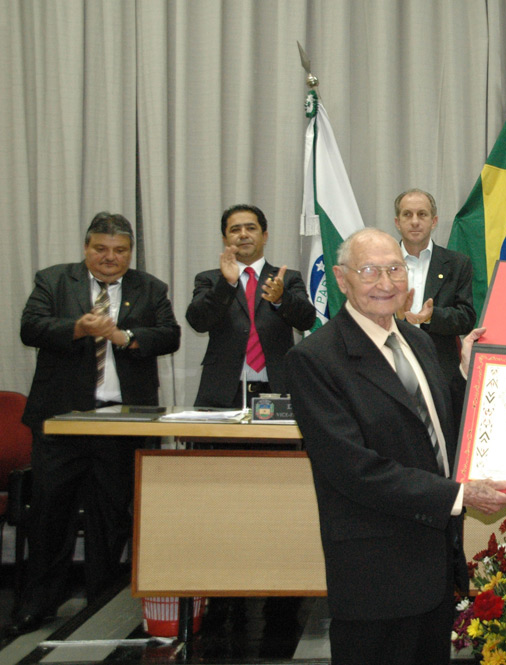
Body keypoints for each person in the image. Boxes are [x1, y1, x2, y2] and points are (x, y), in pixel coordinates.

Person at [286, 228, 506, 665]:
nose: (385, 283)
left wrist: (476, 379)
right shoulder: (316, 359)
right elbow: (355, 470)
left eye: (395, 269)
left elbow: (439, 431)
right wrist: (459, 495)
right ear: (342, 279)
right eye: (369, 271)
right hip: (375, 577)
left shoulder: (418, 341)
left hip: (435, 569)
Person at [10, 212, 181, 636]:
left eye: (120, 251)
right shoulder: (53, 281)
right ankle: (38, 604)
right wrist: (78, 328)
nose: (110, 258)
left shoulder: (149, 287)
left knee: (112, 518)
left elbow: (170, 335)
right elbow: (30, 328)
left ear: (130, 252)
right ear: (86, 248)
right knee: (51, 514)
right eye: (101, 249)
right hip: (60, 421)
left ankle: (103, 603)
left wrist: (125, 337)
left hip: (123, 424)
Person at [186, 204, 315, 407]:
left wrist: (282, 299)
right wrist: (226, 285)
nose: (243, 234)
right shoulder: (210, 279)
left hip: (277, 389)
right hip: (223, 391)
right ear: (224, 239)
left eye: (251, 228)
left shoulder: (287, 279)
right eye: (235, 230)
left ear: (264, 236)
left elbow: (307, 320)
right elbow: (198, 322)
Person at [393, 189, 475, 389]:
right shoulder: (382, 264)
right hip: (391, 365)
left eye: (422, 214)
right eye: (407, 214)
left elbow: (466, 318)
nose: (414, 221)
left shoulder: (457, 263)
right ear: (397, 222)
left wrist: (430, 317)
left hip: (440, 372)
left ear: (434, 221)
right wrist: (395, 315)